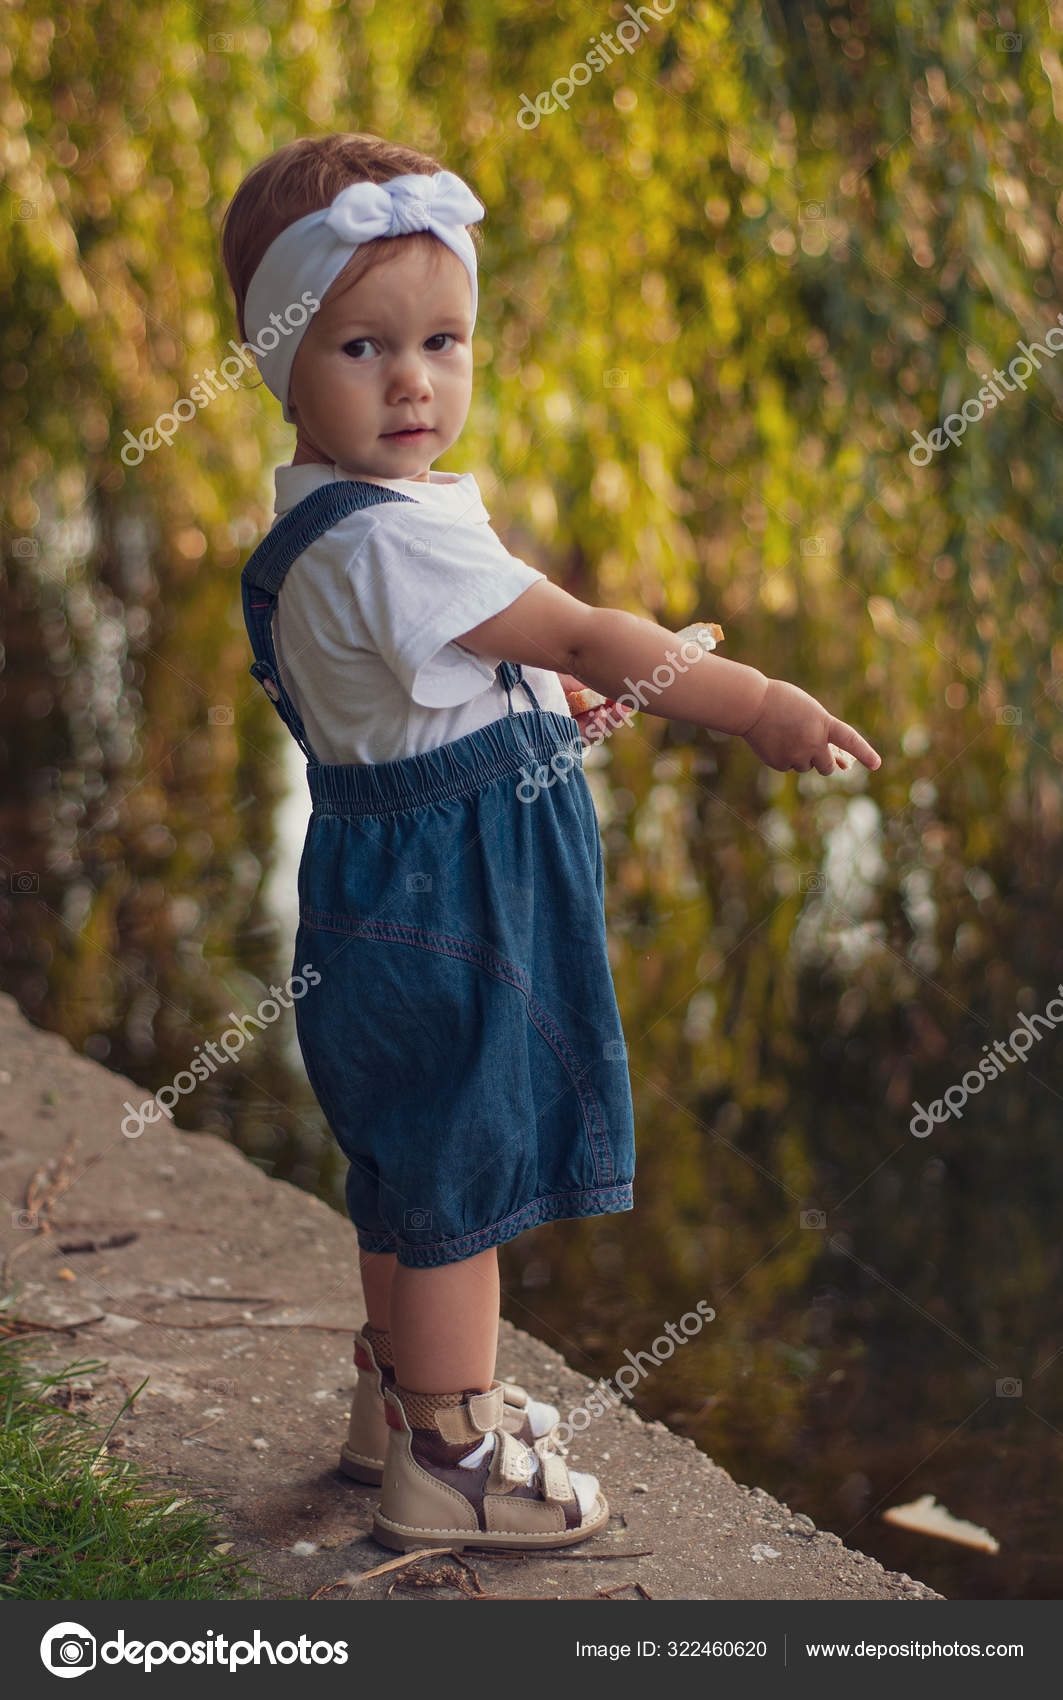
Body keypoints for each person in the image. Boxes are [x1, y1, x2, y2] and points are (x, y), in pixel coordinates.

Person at [220, 131, 882, 1557]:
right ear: (280, 362)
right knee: (465, 1176)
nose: (413, 382)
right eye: (362, 348)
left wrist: (533, 702)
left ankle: (400, 1401)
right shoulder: (402, 538)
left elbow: (432, 683)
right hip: (458, 894)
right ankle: (454, 1461)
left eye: (442, 342)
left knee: (408, 1158)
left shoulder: (324, 525)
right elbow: (582, 631)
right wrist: (756, 704)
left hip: (374, 877)